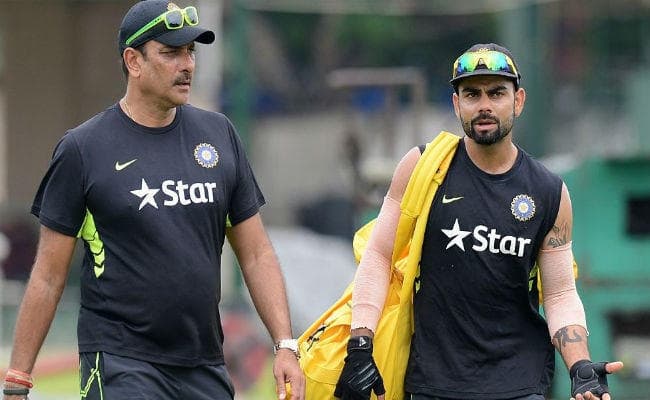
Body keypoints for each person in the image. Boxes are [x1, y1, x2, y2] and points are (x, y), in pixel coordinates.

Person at [1, 1, 304, 399]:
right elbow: (48, 275)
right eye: (171, 52)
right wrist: (18, 378)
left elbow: (257, 254)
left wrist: (285, 344)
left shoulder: (219, 134)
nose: (187, 65)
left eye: (190, 52)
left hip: (204, 363)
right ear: (134, 61)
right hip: (120, 362)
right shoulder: (83, 149)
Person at [333, 43, 624, 400]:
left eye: (496, 93)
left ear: (518, 101)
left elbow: (560, 293)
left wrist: (580, 366)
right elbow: (379, 255)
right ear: (457, 104)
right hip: (434, 385)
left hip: (520, 384)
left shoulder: (549, 192)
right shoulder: (424, 169)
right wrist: (360, 344)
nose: (484, 105)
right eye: (472, 94)